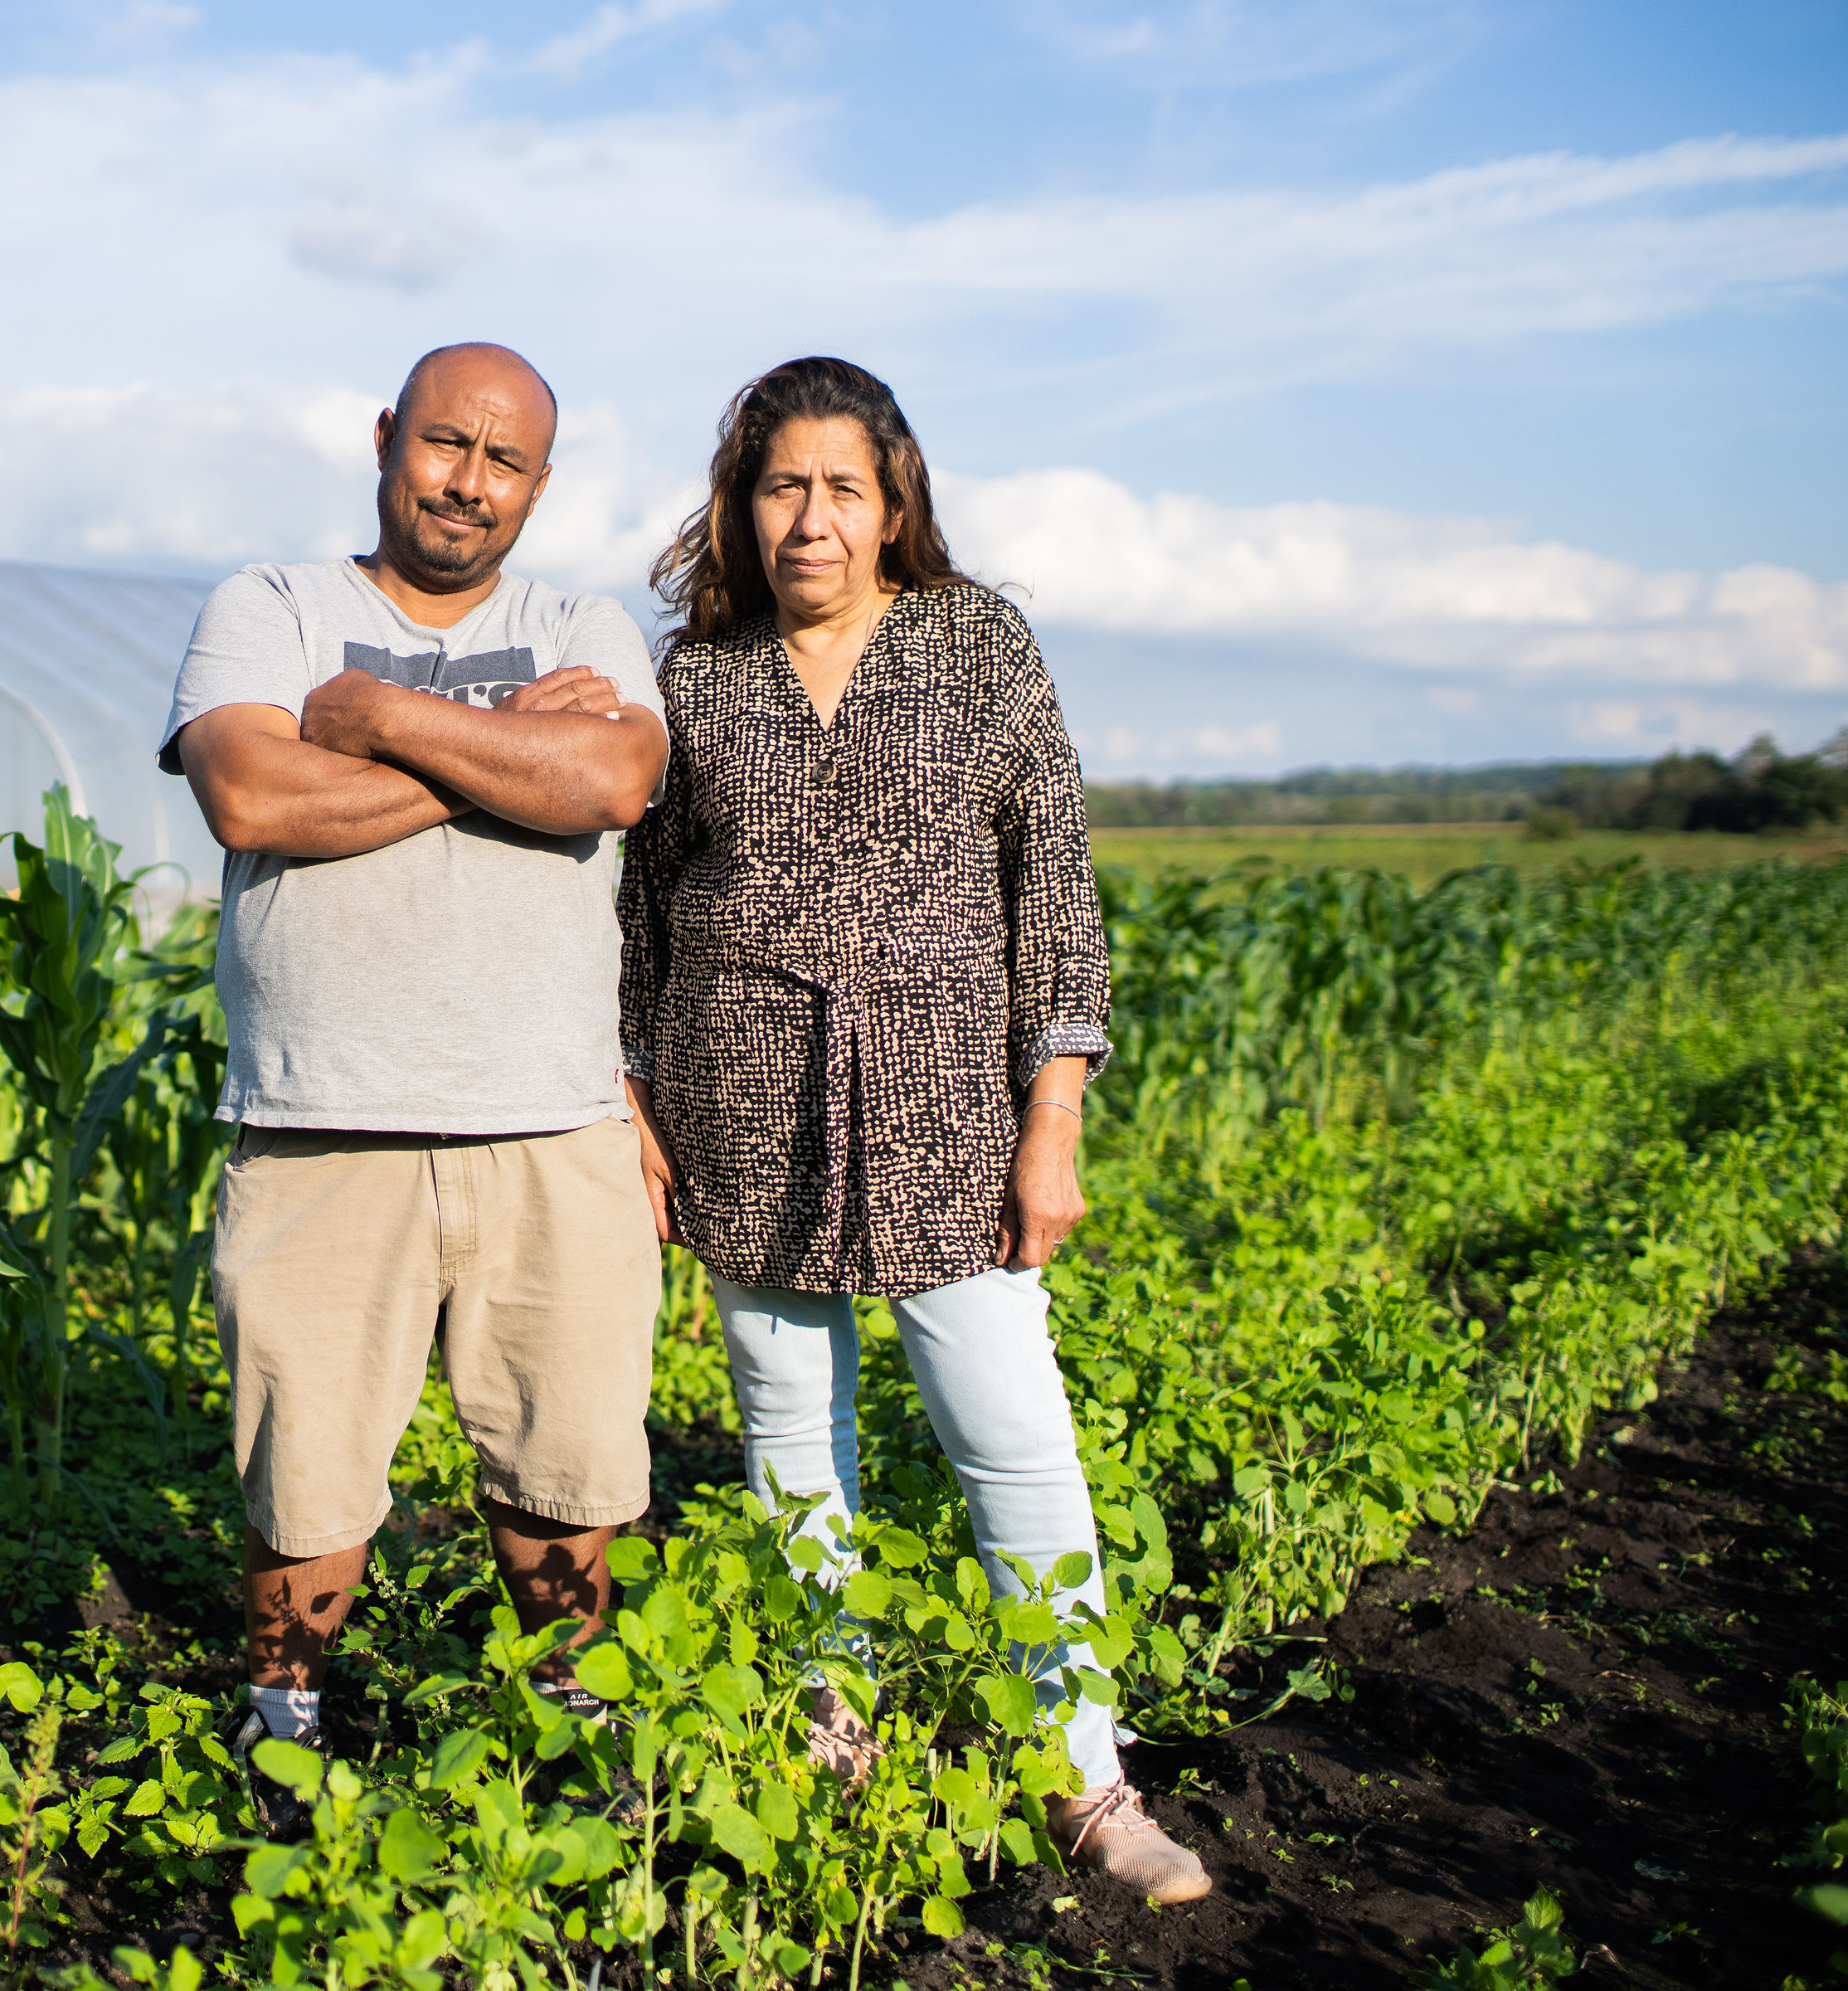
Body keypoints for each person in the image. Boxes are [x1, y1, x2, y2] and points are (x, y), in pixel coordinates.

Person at [617, 356, 1212, 1904]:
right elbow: (637, 911)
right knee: (790, 1437)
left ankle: (1086, 1772)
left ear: (895, 505)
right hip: (739, 1088)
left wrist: (1055, 1108)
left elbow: (1055, 880)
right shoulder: (697, 680)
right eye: (778, 487)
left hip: (949, 1091)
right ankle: (834, 1726)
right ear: (739, 506)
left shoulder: (976, 641)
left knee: (1010, 1433)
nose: (808, 519)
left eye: (840, 489)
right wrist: (629, 1091)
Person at [158, 342, 672, 1833]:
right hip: (323, 1124)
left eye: (506, 462)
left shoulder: (584, 621)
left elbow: (618, 786)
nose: (470, 483)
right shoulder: (269, 608)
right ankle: (285, 1729)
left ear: (541, 484)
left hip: (552, 1123)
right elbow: (253, 795)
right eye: (447, 445)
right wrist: (519, 750)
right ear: (388, 438)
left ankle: (568, 1738)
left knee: (567, 1463)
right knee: (301, 1469)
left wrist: (377, 722)